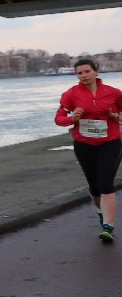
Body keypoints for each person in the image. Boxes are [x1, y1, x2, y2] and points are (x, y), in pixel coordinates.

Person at [54, 57, 122, 243]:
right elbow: (59, 118)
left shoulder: (113, 93)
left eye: (87, 71)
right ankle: (101, 212)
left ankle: (108, 226)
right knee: (94, 186)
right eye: (80, 73)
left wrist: (117, 116)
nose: (84, 75)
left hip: (110, 142)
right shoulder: (71, 94)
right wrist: (72, 119)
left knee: (106, 183)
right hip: (84, 144)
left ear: (96, 72)